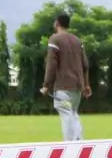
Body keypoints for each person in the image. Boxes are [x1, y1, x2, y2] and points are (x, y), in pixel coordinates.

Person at [39, 13, 91, 142]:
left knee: (66, 113)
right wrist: (86, 85)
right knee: (73, 113)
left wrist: (46, 85)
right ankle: (80, 141)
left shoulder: (54, 39)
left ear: (57, 23)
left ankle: (69, 145)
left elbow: (51, 65)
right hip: (77, 88)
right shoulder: (77, 41)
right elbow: (85, 65)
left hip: (63, 88)